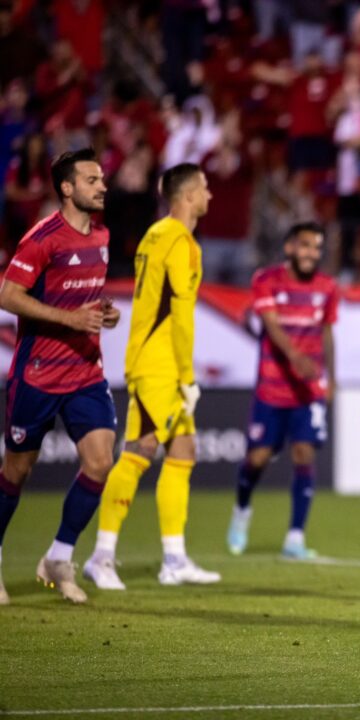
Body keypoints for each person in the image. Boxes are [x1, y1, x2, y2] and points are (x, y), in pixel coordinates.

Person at [84, 163, 220, 590]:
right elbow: (179, 313)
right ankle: (101, 556)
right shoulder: (180, 241)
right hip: (160, 366)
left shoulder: (155, 234)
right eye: (205, 188)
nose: (210, 195)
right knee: (139, 453)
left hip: (153, 359)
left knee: (183, 452)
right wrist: (186, 376)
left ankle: (175, 559)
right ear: (187, 196)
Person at [0, 148, 120, 604]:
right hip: (39, 373)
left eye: (102, 178)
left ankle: (59, 555)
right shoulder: (43, 237)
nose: (102, 186)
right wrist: (69, 320)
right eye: (92, 180)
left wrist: (101, 315)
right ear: (67, 189)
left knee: (100, 461)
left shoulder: (103, 235)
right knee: (17, 471)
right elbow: (9, 296)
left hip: (85, 371)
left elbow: (85, 298)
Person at [227, 222, 338, 560]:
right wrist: (295, 356)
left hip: (308, 391)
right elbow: (270, 325)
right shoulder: (266, 280)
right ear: (290, 248)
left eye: (317, 247)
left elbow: (327, 333)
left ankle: (295, 537)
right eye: (305, 245)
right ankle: (242, 510)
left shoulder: (327, 287)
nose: (311, 253)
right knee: (257, 459)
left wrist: (331, 377)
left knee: (304, 453)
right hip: (272, 388)